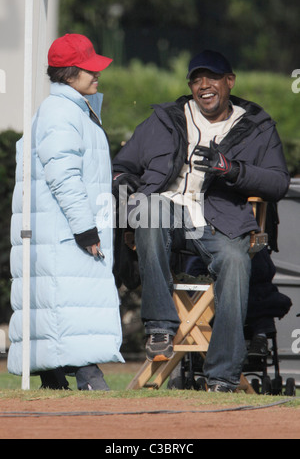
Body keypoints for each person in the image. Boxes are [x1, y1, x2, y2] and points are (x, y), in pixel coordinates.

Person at [112, 50, 290, 393]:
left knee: (237, 262)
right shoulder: (165, 118)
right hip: (167, 215)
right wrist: (122, 183)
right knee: (149, 210)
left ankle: (222, 377)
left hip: (220, 221)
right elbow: (123, 166)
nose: (203, 85)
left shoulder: (257, 125)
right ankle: (161, 327)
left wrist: (232, 169)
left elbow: (278, 183)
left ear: (230, 81)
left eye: (212, 77)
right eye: (196, 78)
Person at [8, 34, 123, 390]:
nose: (97, 74)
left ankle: (55, 377)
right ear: (70, 73)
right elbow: (63, 175)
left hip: (58, 228)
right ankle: (88, 375)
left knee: (57, 303)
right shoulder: (62, 112)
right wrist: (85, 228)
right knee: (71, 302)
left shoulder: (64, 109)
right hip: (66, 230)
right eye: (90, 68)